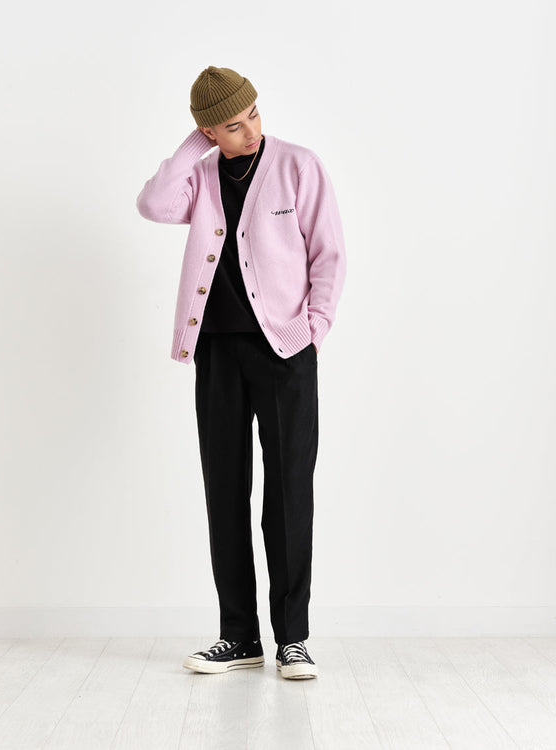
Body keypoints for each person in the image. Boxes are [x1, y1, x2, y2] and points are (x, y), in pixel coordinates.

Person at [136, 65, 347, 680]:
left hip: (285, 351)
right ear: (208, 132)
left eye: (253, 114)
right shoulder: (200, 176)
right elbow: (152, 203)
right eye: (231, 125)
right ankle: (239, 636)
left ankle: (293, 639)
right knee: (224, 492)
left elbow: (329, 252)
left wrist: (314, 328)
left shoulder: (299, 166)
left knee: (288, 492)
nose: (250, 130)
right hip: (217, 352)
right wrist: (193, 146)